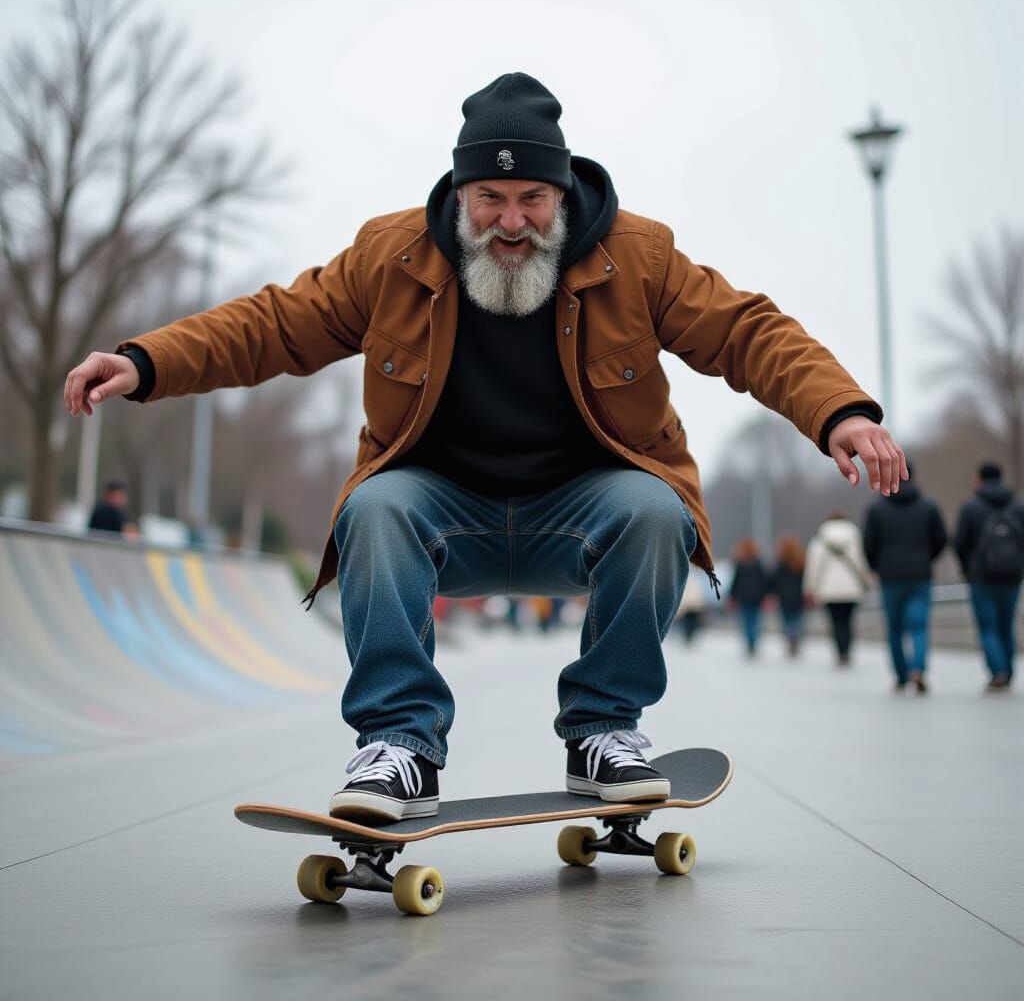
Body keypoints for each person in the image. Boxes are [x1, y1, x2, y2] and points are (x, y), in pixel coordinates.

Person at [64, 72, 907, 820]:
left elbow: (746, 332)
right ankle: (399, 746)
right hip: (442, 511)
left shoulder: (637, 257)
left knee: (655, 508)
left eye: (533, 200)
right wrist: (146, 362)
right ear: (461, 196)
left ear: (564, 193)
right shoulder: (390, 256)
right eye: (491, 202)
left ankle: (604, 730)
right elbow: (274, 323)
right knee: (376, 503)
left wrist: (838, 411)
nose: (513, 224)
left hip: (583, 510)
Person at [863, 463, 948, 692]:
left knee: (895, 629)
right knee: (919, 626)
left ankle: (901, 675)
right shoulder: (928, 507)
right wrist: (926, 558)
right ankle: (918, 668)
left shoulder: (877, 509)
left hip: (890, 577)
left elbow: (868, 545)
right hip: (920, 575)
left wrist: (877, 567)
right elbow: (941, 539)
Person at [954, 462, 1024, 691]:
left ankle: (998, 671)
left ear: (979, 479)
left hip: (981, 577)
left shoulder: (971, 508)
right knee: (1006, 624)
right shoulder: (1018, 506)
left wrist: (967, 569)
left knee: (988, 626)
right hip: (1012, 576)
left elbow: (960, 543)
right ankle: (1009, 670)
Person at [805, 511, 872, 666]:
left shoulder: (819, 539)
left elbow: (813, 566)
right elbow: (862, 561)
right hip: (851, 587)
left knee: (836, 622)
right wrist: (867, 582)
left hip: (828, 589)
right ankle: (847, 650)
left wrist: (810, 588)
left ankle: (840, 652)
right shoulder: (855, 536)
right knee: (848, 621)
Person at [728, 539, 771, 656]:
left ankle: (750, 642)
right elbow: (765, 582)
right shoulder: (758, 564)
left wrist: (732, 597)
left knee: (747, 621)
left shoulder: (741, 564)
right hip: (755, 598)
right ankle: (752, 641)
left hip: (745, 598)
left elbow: (735, 583)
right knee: (754, 621)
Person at [771, 534, 807, 658]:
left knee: (787, 621)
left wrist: (773, 593)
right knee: (797, 620)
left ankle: (790, 638)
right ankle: (795, 638)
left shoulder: (780, 563)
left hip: (784, 597)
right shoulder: (801, 562)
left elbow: (774, 581)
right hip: (799, 597)